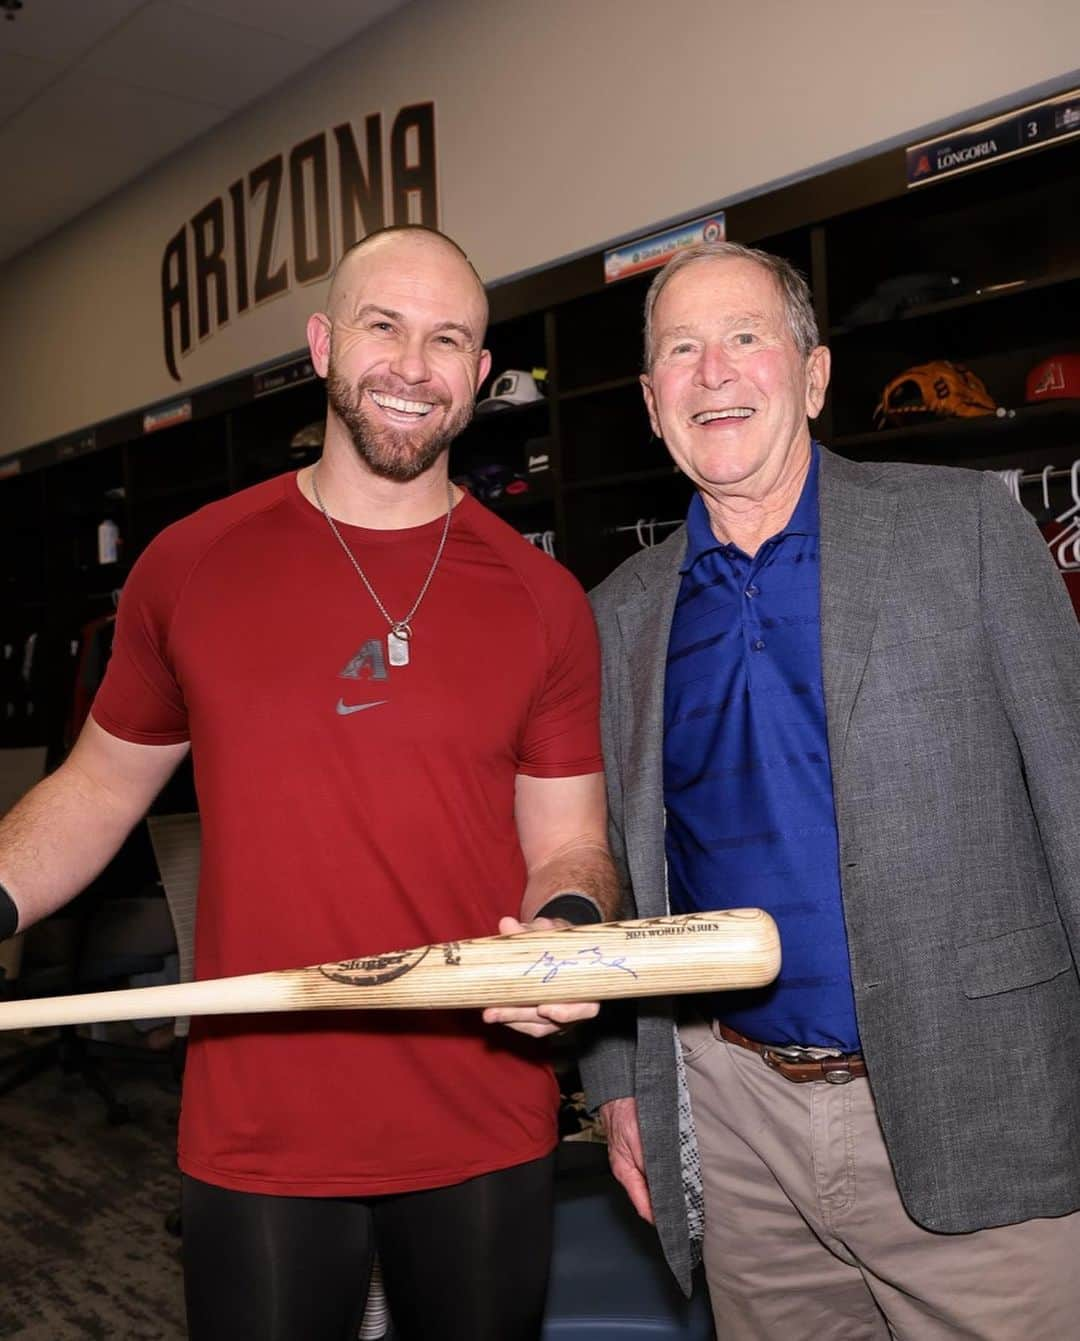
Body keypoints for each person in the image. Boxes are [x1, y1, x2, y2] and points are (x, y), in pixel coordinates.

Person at [0, 225, 618, 1341]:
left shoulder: (544, 599)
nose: (412, 365)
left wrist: (565, 926)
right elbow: (96, 791)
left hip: (477, 1106)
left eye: (448, 340)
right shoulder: (191, 566)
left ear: (479, 377)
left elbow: (570, 842)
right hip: (263, 1113)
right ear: (325, 343)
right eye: (383, 326)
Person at [579, 239, 1080, 1339]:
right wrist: (623, 1086)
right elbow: (611, 866)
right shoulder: (616, 615)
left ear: (811, 376)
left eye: (746, 338)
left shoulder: (966, 531)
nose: (714, 371)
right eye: (682, 350)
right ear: (654, 403)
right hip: (737, 1121)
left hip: (975, 1097)